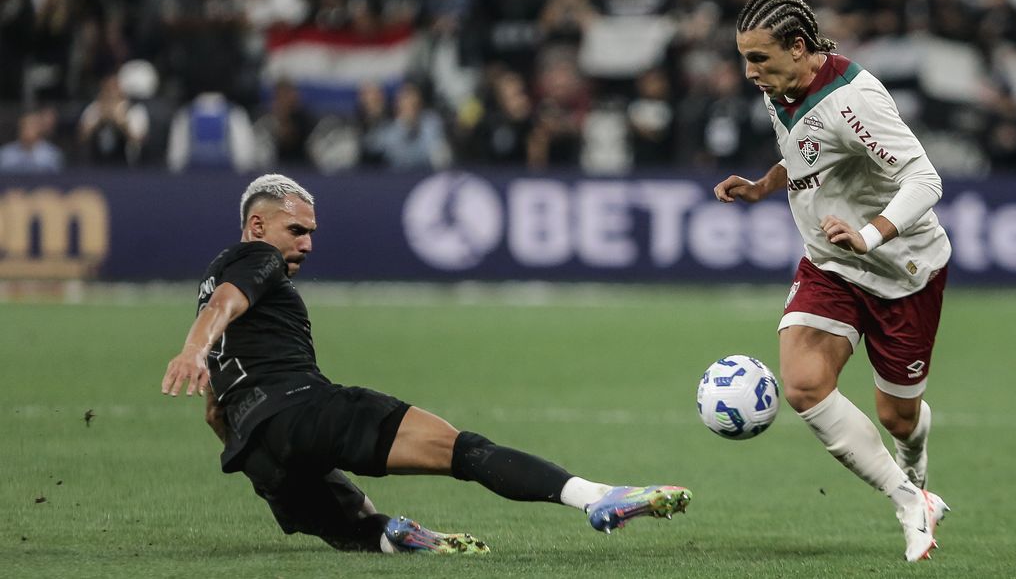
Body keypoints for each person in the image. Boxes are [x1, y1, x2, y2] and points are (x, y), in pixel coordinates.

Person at [161, 173, 689, 555]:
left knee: (357, 526)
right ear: (257, 225)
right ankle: (595, 497)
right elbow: (223, 304)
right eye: (297, 230)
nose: (307, 244)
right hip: (306, 410)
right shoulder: (256, 260)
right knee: (467, 451)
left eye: (313, 232)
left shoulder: (216, 274)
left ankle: (400, 540)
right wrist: (192, 348)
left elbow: (215, 412)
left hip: (254, 447)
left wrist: (255, 452)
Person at [714, 0, 951, 562]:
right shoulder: (784, 87)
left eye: (760, 59)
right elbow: (805, 155)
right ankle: (907, 497)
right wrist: (764, 185)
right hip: (830, 263)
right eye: (744, 59)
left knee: (899, 417)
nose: (751, 73)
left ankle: (914, 467)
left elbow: (926, 180)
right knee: (802, 385)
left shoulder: (856, 100)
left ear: (799, 48)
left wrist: (869, 235)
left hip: (902, 270)